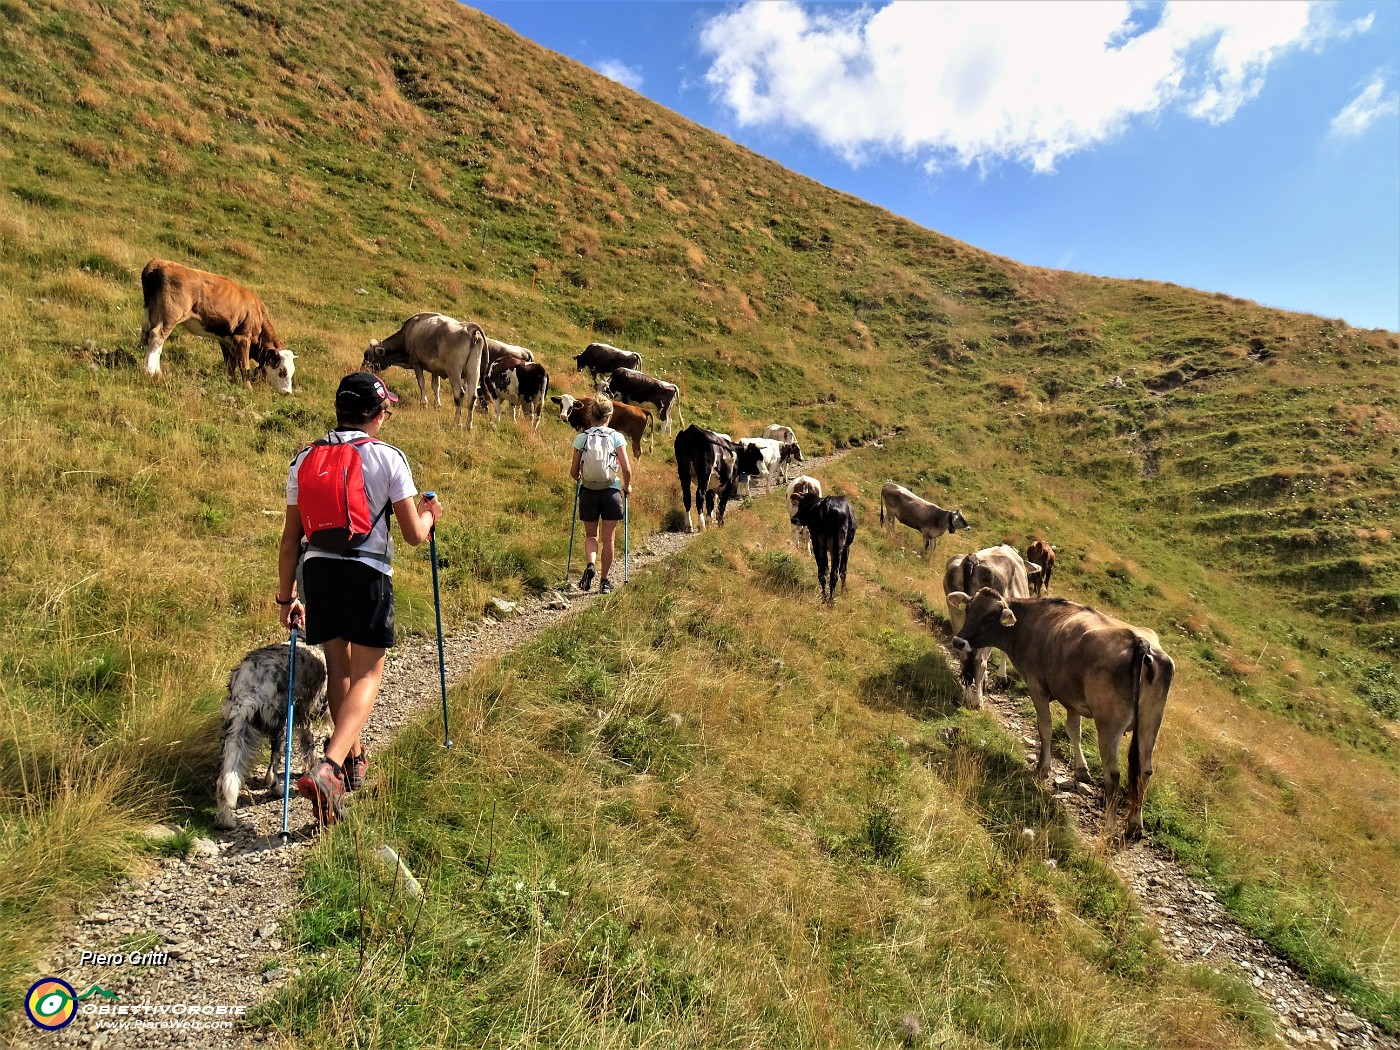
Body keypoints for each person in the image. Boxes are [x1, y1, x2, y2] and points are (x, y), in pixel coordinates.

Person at [276, 371, 442, 826]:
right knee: (369, 673)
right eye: (385, 410)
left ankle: (353, 757)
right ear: (377, 413)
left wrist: (285, 595)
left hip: (318, 570)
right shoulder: (389, 458)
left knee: (340, 669)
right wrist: (431, 515)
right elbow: (411, 535)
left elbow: (291, 538)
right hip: (367, 570)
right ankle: (329, 767)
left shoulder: (304, 458)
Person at [569, 396, 633, 594]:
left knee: (591, 535)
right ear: (610, 415)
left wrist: (581, 475)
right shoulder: (616, 437)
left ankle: (590, 564)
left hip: (588, 491)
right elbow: (627, 469)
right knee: (609, 539)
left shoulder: (582, 438)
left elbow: (573, 472)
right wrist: (627, 486)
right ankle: (605, 581)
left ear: (590, 414)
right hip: (611, 491)